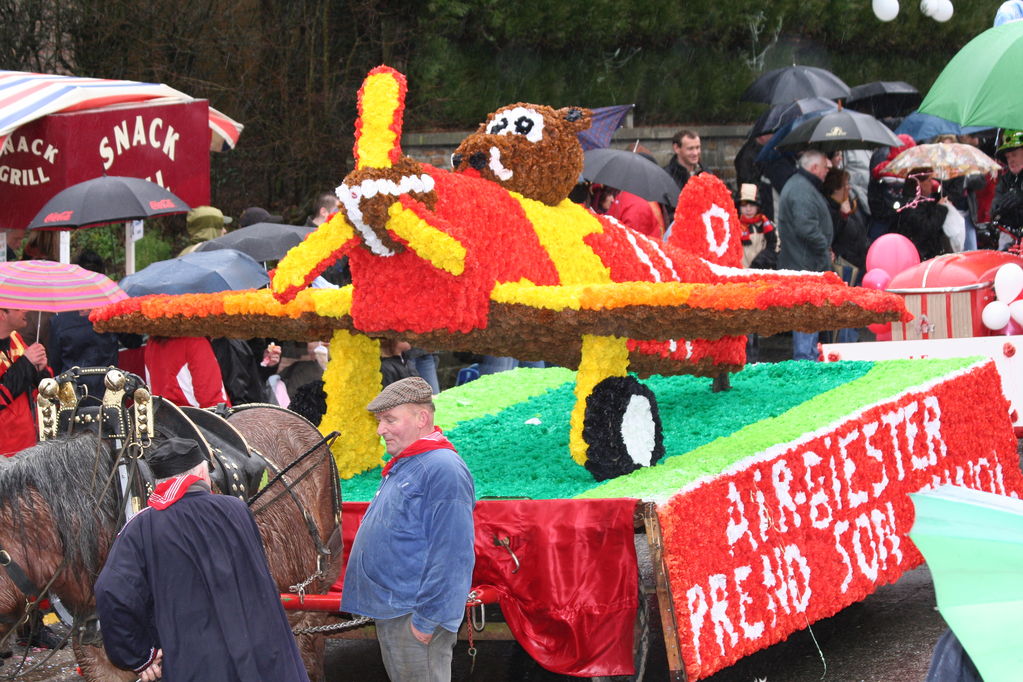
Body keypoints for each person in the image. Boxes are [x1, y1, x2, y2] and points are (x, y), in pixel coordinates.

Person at [94, 437, 309, 681]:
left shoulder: (142, 527)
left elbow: (111, 591)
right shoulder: (237, 510)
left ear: (157, 482)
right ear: (201, 473)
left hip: (196, 665)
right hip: (266, 659)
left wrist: (139, 656)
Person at [342, 377, 475, 682]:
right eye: (380, 420)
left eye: (390, 419)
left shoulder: (441, 467)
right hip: (398, 612)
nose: (380, 429)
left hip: (413, 617)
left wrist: (427, 621)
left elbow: (453, 554)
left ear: (422, 418)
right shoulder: (414, 463)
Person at [776, 150, 833, 361]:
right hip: (805, 263)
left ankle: (808, 357)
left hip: (803, 260)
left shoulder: (801, 185)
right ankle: (805, 361)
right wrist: (824, 245)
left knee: (807, 316)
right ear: (815, 168)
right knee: (806, 314)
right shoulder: (801, 189)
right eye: (826, 167)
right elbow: (806, 227)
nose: (828, 172)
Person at [0, 308, 51, 456]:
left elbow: (40, 387)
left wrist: (40, 369)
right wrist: (27, 363)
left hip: (27, 441)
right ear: (2, 314)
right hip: (4, 450)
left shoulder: (16, 338)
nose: (25, 310)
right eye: (17, 308)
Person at [144, 336, 229, 408]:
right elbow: (212, 399)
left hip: (165, 418)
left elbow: (151, 389)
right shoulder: (195, 342)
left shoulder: (152, 343)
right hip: (196, 420)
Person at [991, 129, 1023, 249]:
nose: (1011, 160)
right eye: (1008, 157)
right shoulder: (1006, 180)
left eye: (1014, 155)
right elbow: (995, 211)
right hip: (1012, 240)